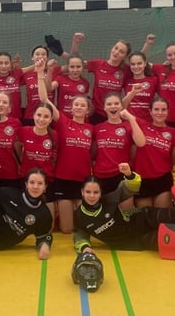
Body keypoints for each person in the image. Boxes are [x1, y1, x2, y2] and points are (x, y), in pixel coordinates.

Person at [37, 59, 93, 233]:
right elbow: (44, 99)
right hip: (63, 179)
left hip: (83, 180)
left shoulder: (92, 129)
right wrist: (40, 73)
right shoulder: (63, 122)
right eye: (76, 105)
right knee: (67, 229)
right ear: (71, 108)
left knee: (83, 228)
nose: (79, 107)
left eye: (82, 105)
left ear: (88, 110)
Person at [91, 92, 146, 195]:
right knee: (104, 205)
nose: (113, 106)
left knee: (125, 205)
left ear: (121, 106)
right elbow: (93, 153)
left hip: (122, 174)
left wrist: (131, 119)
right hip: (100, 175)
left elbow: (141, 143)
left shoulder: (128, 126)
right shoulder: (97, 128)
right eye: (109, 104)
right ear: (104, 108)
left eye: (116, 103)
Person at [71, 33, 132, 125]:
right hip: (95, 113)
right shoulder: (98, 64)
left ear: (125, 56)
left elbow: (140, 62)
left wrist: (148, 44)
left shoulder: (126, 70)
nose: (116, 52)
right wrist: (75, 42)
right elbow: (75, 60)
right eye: (116, 48)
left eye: (121, 52)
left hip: (113, 114)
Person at [132, 97, 175, 208]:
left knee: (161, 215)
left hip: (162, 179)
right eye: (156, 109)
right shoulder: (141, 126)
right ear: (150, 111)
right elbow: (121, 110)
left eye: (163, 110)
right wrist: (132, 93)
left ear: (168, 111)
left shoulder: (174, 132)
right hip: (142, 179)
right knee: (145, 215)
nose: (160, 113)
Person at [142, 36, 175, 128]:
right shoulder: (161, 68)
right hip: (161, 119)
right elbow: (140, 60)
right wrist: (148, 44)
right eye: (169, 55)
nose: (173, 57)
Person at [0, 51, 33, 119]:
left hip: (17, 118)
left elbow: (33, 67)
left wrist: (42, 63)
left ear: (10, 64)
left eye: (6, 63)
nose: (3, 66)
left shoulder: (16, 74)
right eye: (0, 63)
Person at [21, 45, 61, 125]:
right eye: (37, 54)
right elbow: (11, 74)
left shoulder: (54, 70)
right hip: (30, 116)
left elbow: (73, 65)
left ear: (47, 58)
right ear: (32, 57)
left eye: (43, 54)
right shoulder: (27, 74)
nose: (40, 56)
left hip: (48, 115)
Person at [45, 54, 90, 119]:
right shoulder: (60, 79)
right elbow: (48, 89)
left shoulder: (85, 83)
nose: (75, 70)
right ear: (68, 67)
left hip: (77, 119)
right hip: (62, 118)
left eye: (78, 67)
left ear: (82, 67)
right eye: (72, 67)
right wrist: (50, 71)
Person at [122, 51, 159, 121]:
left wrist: (168, 64)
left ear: (145, 63)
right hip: (129, 121)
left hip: (147, 122)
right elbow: (121, 106)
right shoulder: (126, 80)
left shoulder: (154, 80)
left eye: (139, 63)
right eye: (133, 64)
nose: (136, 67)